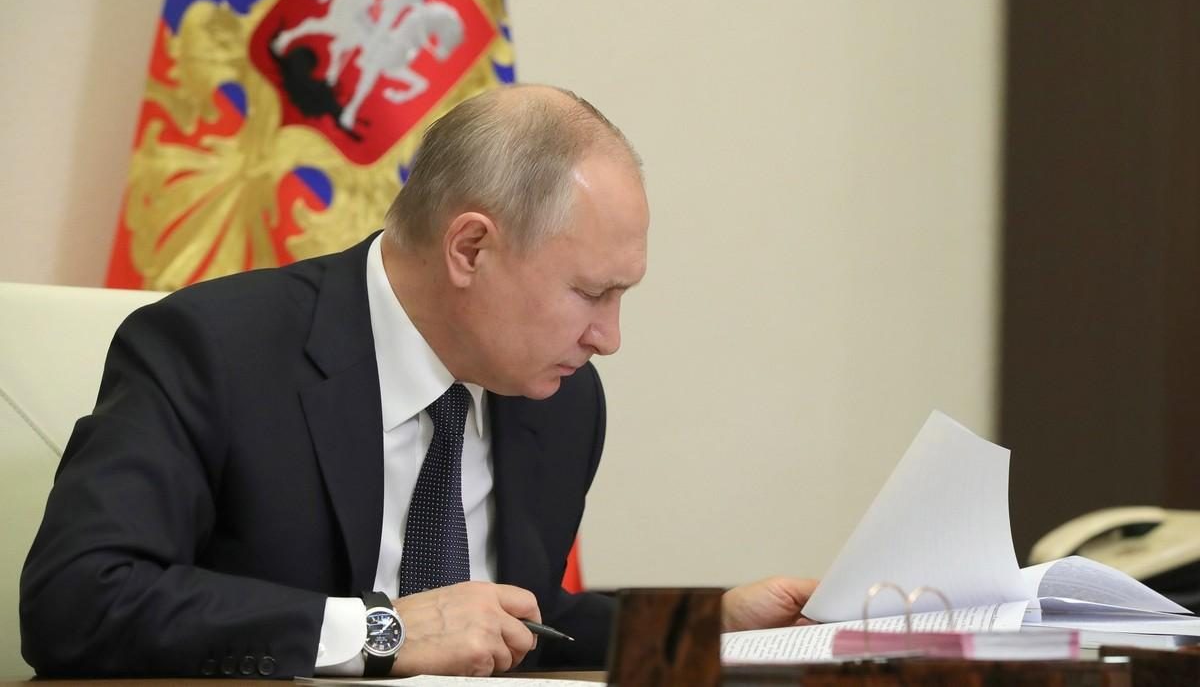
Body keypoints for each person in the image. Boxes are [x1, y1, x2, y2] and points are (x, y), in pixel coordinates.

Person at [20, 85, 816, 678]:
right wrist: (382, 633)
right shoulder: (216, 350)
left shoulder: (562, 399)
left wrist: (708, 626)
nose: (608, 338)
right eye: (590, 293)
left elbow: (516, 618)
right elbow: (79, 599)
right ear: (470, 249)